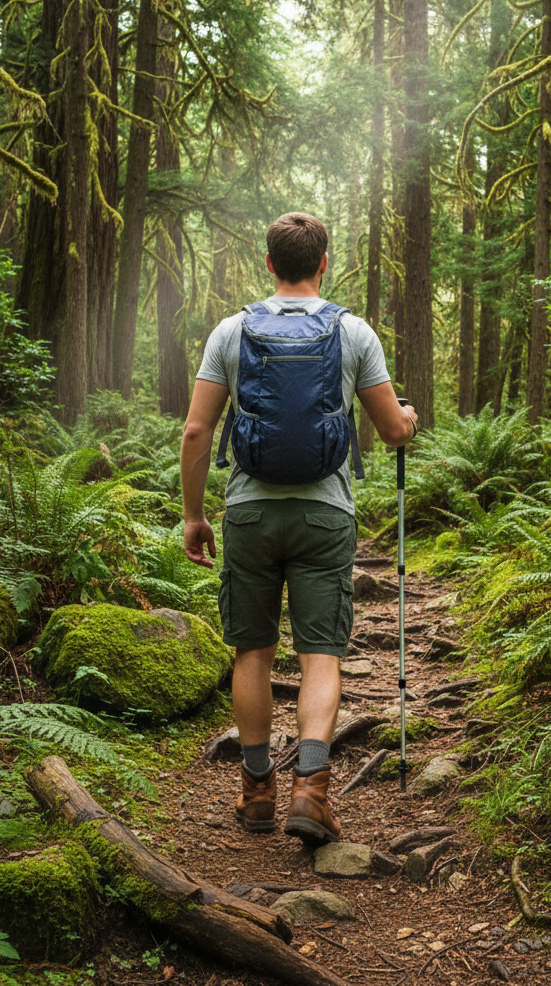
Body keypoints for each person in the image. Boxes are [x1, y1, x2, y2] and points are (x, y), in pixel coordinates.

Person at [181, 212, 418, 845]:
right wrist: (408, 421)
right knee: (321, 652)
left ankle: (256, 792)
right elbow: (393, 430)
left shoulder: (231, 331)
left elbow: (198, 430)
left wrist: (195, 515)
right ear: (323, 264)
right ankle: (311, 790)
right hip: (325, 514)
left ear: (268, 264)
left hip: (251, 514)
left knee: (252, 650)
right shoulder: (354, 331)